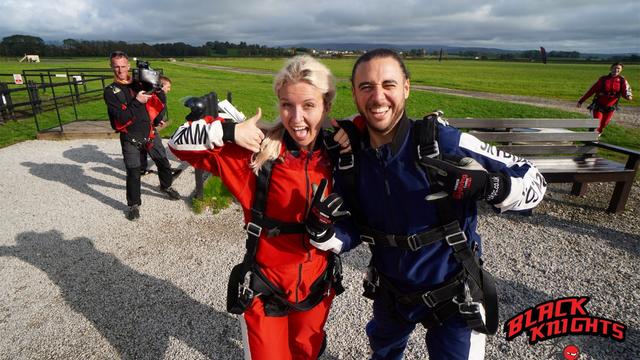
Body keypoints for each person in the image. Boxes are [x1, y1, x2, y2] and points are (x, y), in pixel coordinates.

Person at [329, 49, 547, 360]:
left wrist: (487, 185)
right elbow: (351, 221)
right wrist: (334, 237)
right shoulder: (350, 155)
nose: (378, 97)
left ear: (406, 87)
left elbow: (535, 181)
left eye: (388, 84)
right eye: (366, 87)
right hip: (389, 293)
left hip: (454, 297)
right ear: (354, 93)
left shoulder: (442, 142)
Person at [168, 55, 349, 360]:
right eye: (287, 105)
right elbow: (176, 144)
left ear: (326, 106)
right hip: (266, 289)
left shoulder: (340, 154)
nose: (296, 118)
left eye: (308, 105)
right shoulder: (257, 153)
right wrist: (226, 132)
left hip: (318, 285)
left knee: (309, 351)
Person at [103, 51, 180, 221]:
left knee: (163, 163)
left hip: (150, 132)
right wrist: (137, 101)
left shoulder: (139, 82)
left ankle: (166, 186)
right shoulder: (111, 91)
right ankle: (134, 204)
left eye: (123, 66)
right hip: (130, 136)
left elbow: (158, 102)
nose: (120, 70)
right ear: (111, 67)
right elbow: (122, 117)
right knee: (133, 172)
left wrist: (156, 86)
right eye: (116, 66)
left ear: (128, 66)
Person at [577, 62, 633, 134]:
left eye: (618, 68)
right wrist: (581, 101)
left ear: (621, 70)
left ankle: (594, 137)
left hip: (610, 107)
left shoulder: (622, 81)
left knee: (604, 124)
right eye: (614, 68)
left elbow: (626, 91)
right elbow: (592, 90)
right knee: (597, 123)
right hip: (598, 106)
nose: (616, 70)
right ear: (611, 69)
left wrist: (628, 97)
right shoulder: (603, 79)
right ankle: (591, 139)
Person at [140, 75, 172, 176]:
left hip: (141, 126)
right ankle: (166, 174)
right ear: (161, 86)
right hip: (148, 129)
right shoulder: (160, 96)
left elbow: (149, 111)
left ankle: (141, 169)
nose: (169, 89)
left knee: (142, 149)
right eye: (168, 87)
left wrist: (157, 121)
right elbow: (159, 112)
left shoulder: (149, 94)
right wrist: (157, 121)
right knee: (158, 150)